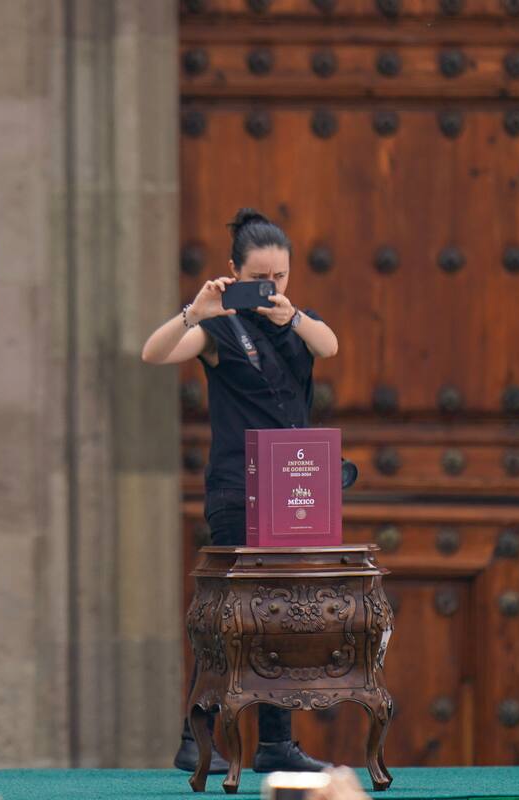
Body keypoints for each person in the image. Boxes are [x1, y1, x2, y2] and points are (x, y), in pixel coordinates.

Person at [142, 209, 338, 775]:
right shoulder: (219, 329)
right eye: (259, 277)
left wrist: (291, 313)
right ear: (233, 272)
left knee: (285, 616)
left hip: (296, 489)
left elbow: (328, 346)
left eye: (280, 276)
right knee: (232, 615)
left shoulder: (300, 324)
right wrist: (194, 310)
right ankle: (195, 731)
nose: (271, 287)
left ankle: (277, 742)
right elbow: (154, 354)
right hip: (239, 488)